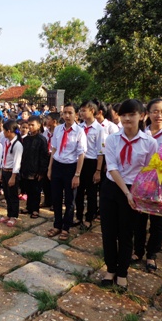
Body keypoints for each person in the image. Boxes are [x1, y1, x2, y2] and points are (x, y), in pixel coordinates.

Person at [100, 99, 157, 291]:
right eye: (123, 114)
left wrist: (137, 193)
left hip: (135, 190)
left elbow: (149, 170)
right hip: (113, 187)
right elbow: (113, 167)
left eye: (131, 114)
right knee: (108, 232)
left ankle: (122, 272)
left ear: (142, 116)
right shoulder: (112, 139)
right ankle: (110, 269)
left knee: (126, 233)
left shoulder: (150, 142)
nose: (126, 118)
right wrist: (126, 192)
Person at [133, 99, 162, 273]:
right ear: (148, 113)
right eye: (155, 111)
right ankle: (137, 251)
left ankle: (151, 254)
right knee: (138, 220)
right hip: (142, 185)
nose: (159, 115)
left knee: (158, 223)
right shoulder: (140, 134)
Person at [47, 103, 86, 241]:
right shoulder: (58, 129)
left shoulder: (80, 131)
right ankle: (57, 224)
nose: (67, 115)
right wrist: (50, 168)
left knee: (70, 200)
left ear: (76, 115)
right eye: (65, 113)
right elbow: (54, 150)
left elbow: (81, 154)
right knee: (56, 197)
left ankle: (66, 227)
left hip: (71, 168)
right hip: (57, 165)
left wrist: (77, 174)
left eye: (70, 113)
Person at [75, 101, 105, 230]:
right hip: (80, 162)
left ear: (92, 110)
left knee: (91, 192)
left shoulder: (99, 129)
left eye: (83, 110)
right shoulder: (79, 127)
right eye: (80, 111)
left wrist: (98, 170)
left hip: (92, 163)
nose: (81, 113)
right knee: (78, 191)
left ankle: (89, 218)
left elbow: (100, 151)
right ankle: (79, 215)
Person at [20, 116, 49, 218]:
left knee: (36, 191)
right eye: (29, 125)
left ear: (39, 125)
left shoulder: (42, 139)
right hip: (27, 168)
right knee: (28, 189)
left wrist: (42, 171)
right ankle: (29, 207)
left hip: (37, 170)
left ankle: (35, 209)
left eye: (33, 125)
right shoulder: (26, 139)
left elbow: (44, 156)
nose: (30, 127)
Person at [0, 120, 23, 227]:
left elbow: (17, 163)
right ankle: (9, 214)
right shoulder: (6, 142)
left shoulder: (17, 145)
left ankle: (14, 216)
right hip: (5, 171)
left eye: (4, 130)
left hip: (12, 173)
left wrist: (13, 177)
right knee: (7, 195)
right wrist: (1, 171)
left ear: (9, 131)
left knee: (13, 195)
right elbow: (4, 158)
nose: (3, 132)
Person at [41, 112, 60, 209]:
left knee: (54, 180)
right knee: (45, 180)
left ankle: (54, 202)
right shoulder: (46, 132)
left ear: (54, 121)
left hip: (55, 157)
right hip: (46, 156)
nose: (46, 121)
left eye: (48, 119)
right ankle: (47, 200)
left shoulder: (59, 131)